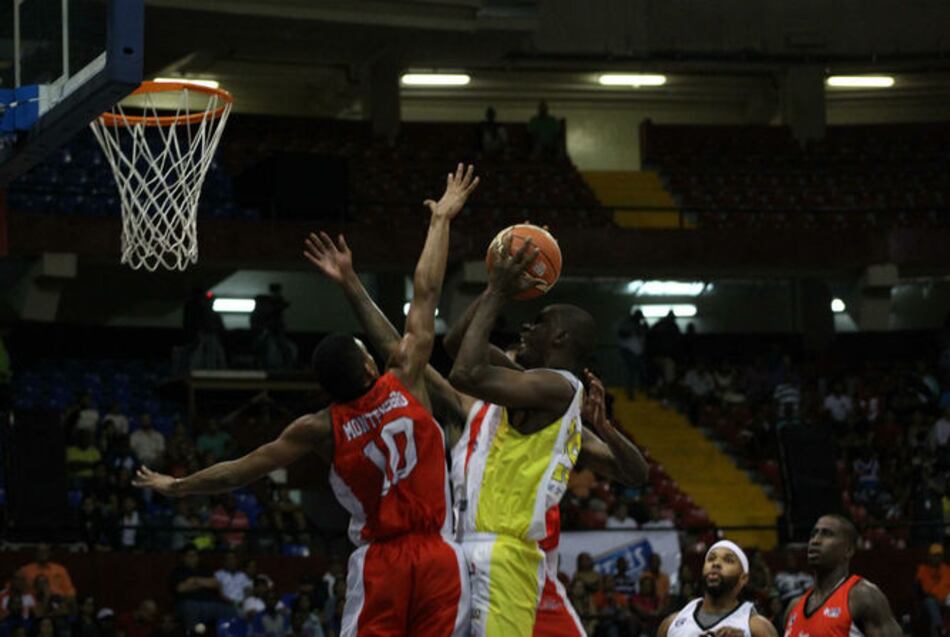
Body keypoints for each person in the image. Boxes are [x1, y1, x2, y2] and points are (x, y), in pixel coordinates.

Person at [136, 163, 480, 637]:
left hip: (382, 563)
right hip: (439, 555)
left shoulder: (319, 427)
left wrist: (178, 486)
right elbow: (426, 291)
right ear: (369, 368)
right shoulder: (404, 380)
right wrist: (440, 219)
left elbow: (242, 470)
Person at [446, 232, 648, 637]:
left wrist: (500, 292)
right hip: (471, 549)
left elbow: (464, 374)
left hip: (504, 555)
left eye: (538, 321)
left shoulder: (559, 388)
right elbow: (455, 345)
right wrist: (492, 289)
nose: (526, 326)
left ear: (559, 338)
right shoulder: (531, 388)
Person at [783, 514, 901, 637]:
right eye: (813, 534)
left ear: (848, 550)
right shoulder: (793, 607)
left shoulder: (863, 597)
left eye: (827, 534)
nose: (815, 541)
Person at [657, 540, 777, 637]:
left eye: (728, 560)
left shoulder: (757, 628)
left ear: (743, 578)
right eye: (711, 559)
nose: (716, 564)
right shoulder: (671, 624)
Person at [167, 547, 235, 630]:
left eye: (195, 555)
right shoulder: (178, 571)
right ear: (184, 558)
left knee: (229, 609)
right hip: (187, 603)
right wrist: (204, 583)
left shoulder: (204, 569)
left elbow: (215, 583)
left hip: (210, 603)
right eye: (189, 556)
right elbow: (180, 588)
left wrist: (195, 580)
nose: (193, 558)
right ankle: (193, 633)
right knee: (191, 608)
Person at [916, 543, 950, 637]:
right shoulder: (923, 569)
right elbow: (921, 591)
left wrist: (945, 599)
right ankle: (939, 628)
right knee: (930, 602)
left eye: (939, 555)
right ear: (929, 556)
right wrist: (937, 598)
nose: (937, 558)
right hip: (930, 600)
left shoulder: (947, 569)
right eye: (934, 555)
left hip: (946, 599)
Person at [617, 309, 648, 399]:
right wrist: (633, 331)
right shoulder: (627, 324)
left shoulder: (640, 325)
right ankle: (630, 393)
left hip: (638, 352)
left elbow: (644, 334)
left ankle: (641, 391)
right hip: (628, 351)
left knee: (642, 371)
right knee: (631, 372)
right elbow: (622, 333)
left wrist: (642, 328)